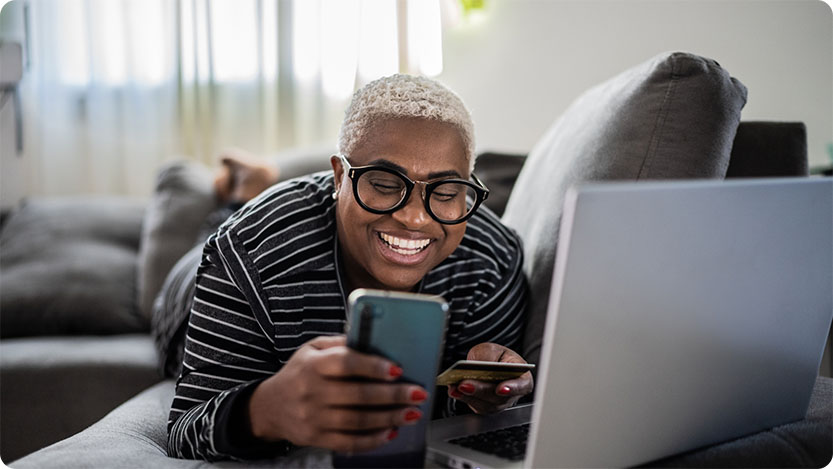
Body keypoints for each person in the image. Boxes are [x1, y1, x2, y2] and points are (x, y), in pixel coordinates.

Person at [166, 74, 532, 461]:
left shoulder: (493, 259)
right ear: (340, 177)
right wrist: (264, 410)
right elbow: (185, 429)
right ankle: (240, 193)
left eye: (444, 192)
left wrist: (482, 398)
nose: (415, 219)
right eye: (386, 183)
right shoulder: (243, 251)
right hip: (186, 290)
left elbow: (468, 416)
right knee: (213, 234)